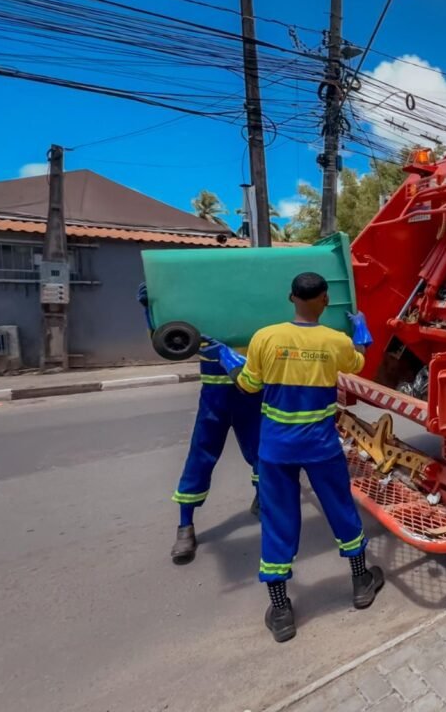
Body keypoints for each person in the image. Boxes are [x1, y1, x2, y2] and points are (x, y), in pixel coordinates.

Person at [208, 272, 384, 643]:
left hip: (275, 448)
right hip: (320, 446)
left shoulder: (265, 337)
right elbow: (358, 364)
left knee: (278, 520)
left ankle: (282, 609)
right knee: (341, 510)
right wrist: (362, 330)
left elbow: (249, 385)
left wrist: (228, 360)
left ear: (291, 298)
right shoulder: (334, 341)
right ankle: (360, 583)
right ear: (324, 300)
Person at [135, 284, 260, 565]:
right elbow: (165, 341)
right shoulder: (202, 315)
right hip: (214, 402)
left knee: (262, 455)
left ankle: (262, 499)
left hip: (250, 396)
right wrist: (150, 311)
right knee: (199, 460)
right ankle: (185, 526)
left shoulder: (258, 317)